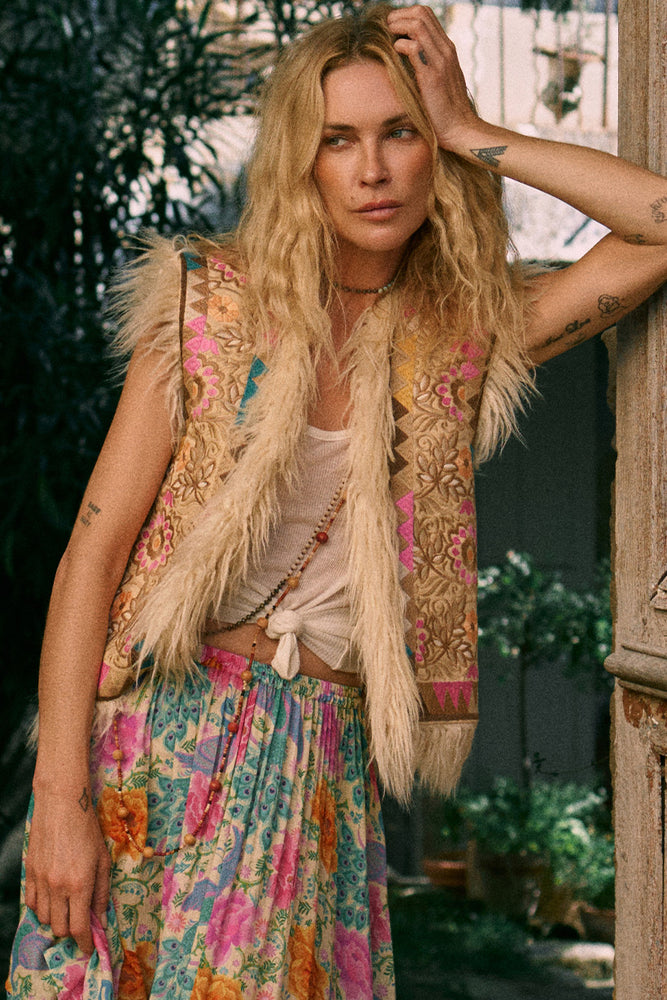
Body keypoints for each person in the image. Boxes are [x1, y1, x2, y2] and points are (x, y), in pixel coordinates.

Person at [7, 4, 667, 998]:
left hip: (316, 760)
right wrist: (60, 799)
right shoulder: (206, 306)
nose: (372, 170)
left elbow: (656, 226)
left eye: (399, 133)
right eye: (338, 140)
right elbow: (89, 561)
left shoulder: (460, 335)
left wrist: (470, 127)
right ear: (300, 162)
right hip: (155, 744)